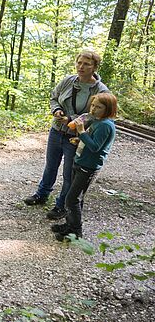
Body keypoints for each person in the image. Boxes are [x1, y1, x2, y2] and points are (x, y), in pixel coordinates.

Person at [23, 49, 110, 219]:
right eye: (79, 62)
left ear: (94, 67)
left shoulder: (101, 90)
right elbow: (54, 97)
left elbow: (96, 116)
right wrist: (56, 110)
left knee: (69, 173)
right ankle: (42, 194)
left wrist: (72, 119)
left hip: (76, 136)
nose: (81, 66)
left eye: (86, 64)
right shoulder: (68, 81)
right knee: (50, 166)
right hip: (57, 130)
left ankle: (61, 205)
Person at [51, 93, 117, 241]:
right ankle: (69, 224)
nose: (94, 109)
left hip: (88, 167)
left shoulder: (105, 125)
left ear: (109, 109)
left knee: (71, 199)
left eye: (99, 107)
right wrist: (79, 139)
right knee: (74, 197)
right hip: (80, 161)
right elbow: (90, 140)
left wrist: (81, 132)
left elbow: (95, 147)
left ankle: (76, 231)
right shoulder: (96, 121)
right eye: (93, 105)